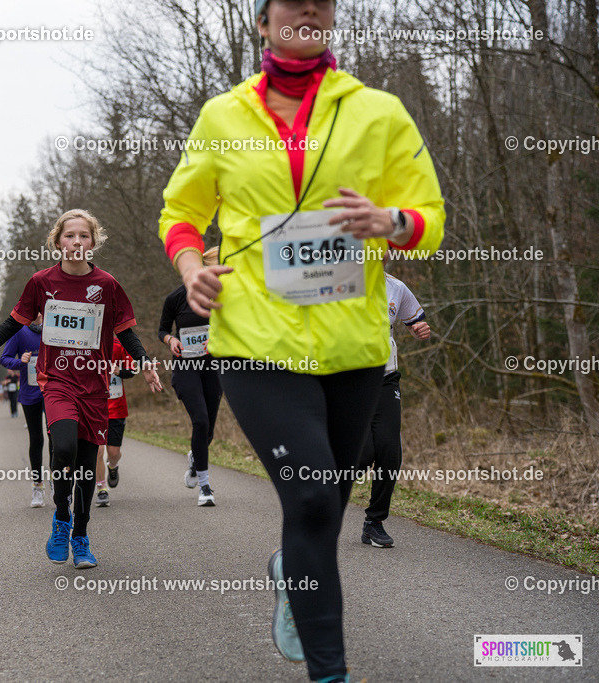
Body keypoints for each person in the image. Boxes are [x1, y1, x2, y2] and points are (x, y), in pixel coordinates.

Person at [158, 0, 445, 679]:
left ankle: (295, 570)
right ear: (263, 21)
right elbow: (182, 213)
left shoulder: (378, 112)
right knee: (314, 495)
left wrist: (390, 220)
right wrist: (192, 268)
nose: (310, 5)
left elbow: (428, 218)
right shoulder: (223, 117)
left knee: (322, 509)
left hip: (353, 349)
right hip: (254, 342)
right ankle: (330, 671)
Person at [0, 209, 162, 569]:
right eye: (70, 235)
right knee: (63, 448)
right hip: (57, 381)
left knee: (87, 466)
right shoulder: (41, 282)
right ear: (57, 241)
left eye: (84, 235)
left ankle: (80, 536)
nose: (76, 242)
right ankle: (62, 518)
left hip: (94, 385)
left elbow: (125, 332)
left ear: (93, 242)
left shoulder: (108, 285)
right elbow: (11, 323)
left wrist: (144, 362)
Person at [358, 272, 430, 548]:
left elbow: (415, 321)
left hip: (386, 378)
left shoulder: (396, 287)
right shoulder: (338, 279)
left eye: (386, 250)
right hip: (348, 379)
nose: (381, 253)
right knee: (363, 455)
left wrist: (419, 329)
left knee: (390, 453)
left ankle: (374, 523)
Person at [159, 247, 223, 506]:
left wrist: (219, 339)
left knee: (208, 431)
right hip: (186, 367)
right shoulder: (176, 297)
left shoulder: (226, 296)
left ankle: (196, 460)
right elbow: (162, 329)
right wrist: (171, 339)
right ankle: (205, 487)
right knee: (200, 421)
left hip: (213, 367)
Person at [1, 314, 50, 507]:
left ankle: (57, 482)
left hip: (53, 392)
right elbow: (4, 359)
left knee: (55, 437)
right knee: (36, 439)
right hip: (30, 393)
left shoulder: (54, 328)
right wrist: (20, 361)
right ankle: (37, 486)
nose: (37, 312)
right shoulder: (19, 331)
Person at [95, 336, 137, 507]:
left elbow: (132, 370)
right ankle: (101, 489)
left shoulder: (119, 344)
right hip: (95, 408)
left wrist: (119, 371)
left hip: (116, 408)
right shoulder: (88, 343)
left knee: (113, 452)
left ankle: (113, 466)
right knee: (98, 451)